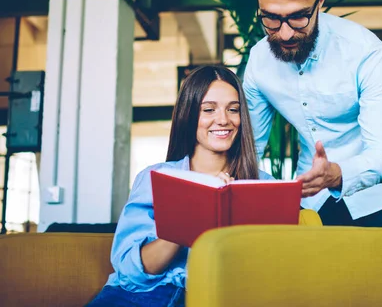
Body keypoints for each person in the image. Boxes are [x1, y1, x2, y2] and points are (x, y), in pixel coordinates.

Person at [243, 0, 382, 303]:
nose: (284, 33)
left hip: (378, 197)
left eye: (298, 17)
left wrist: (337, 173)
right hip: (310, 196)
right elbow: (248, 151)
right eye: (270, 18)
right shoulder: (258, 63)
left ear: (321, 0)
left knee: (371, 297)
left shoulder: (365, 52)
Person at [87, 65, 270, 307]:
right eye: (209, 109)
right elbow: (133, 273)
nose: (223, 119)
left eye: (233, 110)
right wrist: (193, 218)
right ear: (189, 114)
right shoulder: (156, 177)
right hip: (143, 296)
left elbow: (269, 269)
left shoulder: (262, 184)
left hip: (221, 296)